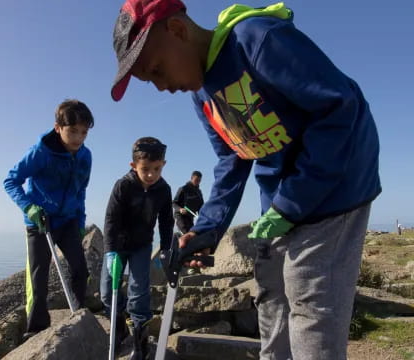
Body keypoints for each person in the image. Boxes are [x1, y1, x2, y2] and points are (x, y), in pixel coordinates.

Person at [109, 1, 382, 359]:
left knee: (309, 296)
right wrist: (206, 229)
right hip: (282, 198)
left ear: (177, 31)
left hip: (335, 188)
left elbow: (338, 108)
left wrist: (291, 203)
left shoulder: (257, 40)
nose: (161, 87)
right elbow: (232, 158)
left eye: (157, 70)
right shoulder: (201, 95)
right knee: (271, 292)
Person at [3, 99, 94, 340]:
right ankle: (36, 330)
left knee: (80, 269)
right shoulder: (40, 153)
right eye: (72, 131)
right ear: (58, 128)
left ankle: (78, 315)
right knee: (38, 277)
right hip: (39, 223)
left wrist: (81, 220)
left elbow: (80, 191)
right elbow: (11, 181)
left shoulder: (85, 157)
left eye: (83, 132)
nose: (78, 138)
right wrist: (28, 207)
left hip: (68, 221)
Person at [101, 136, 174, 359]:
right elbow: (111, 220)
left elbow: (166, 220)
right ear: (133, 166)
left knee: (139, 291)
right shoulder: (123, 186)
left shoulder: (163, 189)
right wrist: (110, 251)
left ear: (163, 165)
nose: (151, 175)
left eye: (156, 169)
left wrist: (166, 248)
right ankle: (119, 328)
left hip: (142, 246)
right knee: (106, 291)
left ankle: (140, 342)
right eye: (145, 169)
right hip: (118, 246)